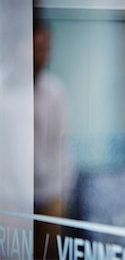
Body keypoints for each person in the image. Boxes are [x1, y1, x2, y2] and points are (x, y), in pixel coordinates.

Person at [33, 21, 74, 259]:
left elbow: (62, 143)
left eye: (46, 47)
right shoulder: (4, 91)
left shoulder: (55, 91)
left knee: (48, 254)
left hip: (51, 191)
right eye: (37, 47)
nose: (42, 53)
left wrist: (64, 189)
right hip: (12, 195)